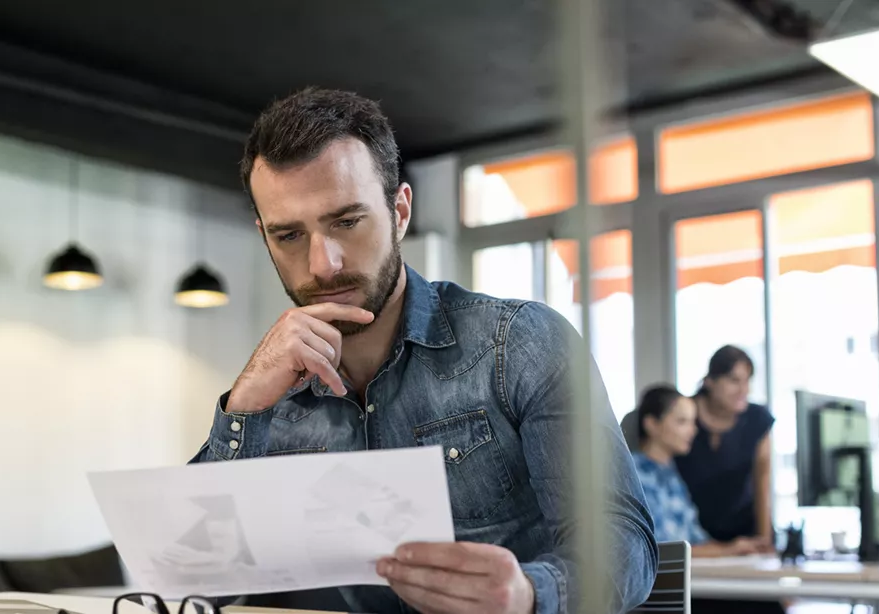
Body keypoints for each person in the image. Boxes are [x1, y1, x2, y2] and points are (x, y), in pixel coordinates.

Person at [189, 87, 657, 614]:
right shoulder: (273, 393)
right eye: (290, 235)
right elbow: (199, 581)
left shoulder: (519, 344)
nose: (323, 264)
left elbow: (626, 547)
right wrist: (244, 406)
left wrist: (528, 594)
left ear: (401, 210)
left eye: (347, 221)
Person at [631, 385, 766, 557]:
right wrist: (729, 550)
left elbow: (696, 539)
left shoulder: (671, 475)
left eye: (693, 422)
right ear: (651, 425)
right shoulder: (636, 476)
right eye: (682, 422)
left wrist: (736, 547)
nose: (693, 431)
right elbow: (666, 550)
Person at [675, 345, 775, 549]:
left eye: (747, 381)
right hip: (696, 537)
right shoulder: (684, 415)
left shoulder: (757, 419)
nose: (743, 390)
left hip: (744, 534)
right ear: (710, 381)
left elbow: (762, 482)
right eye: (734, 380)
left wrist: (764, 542)